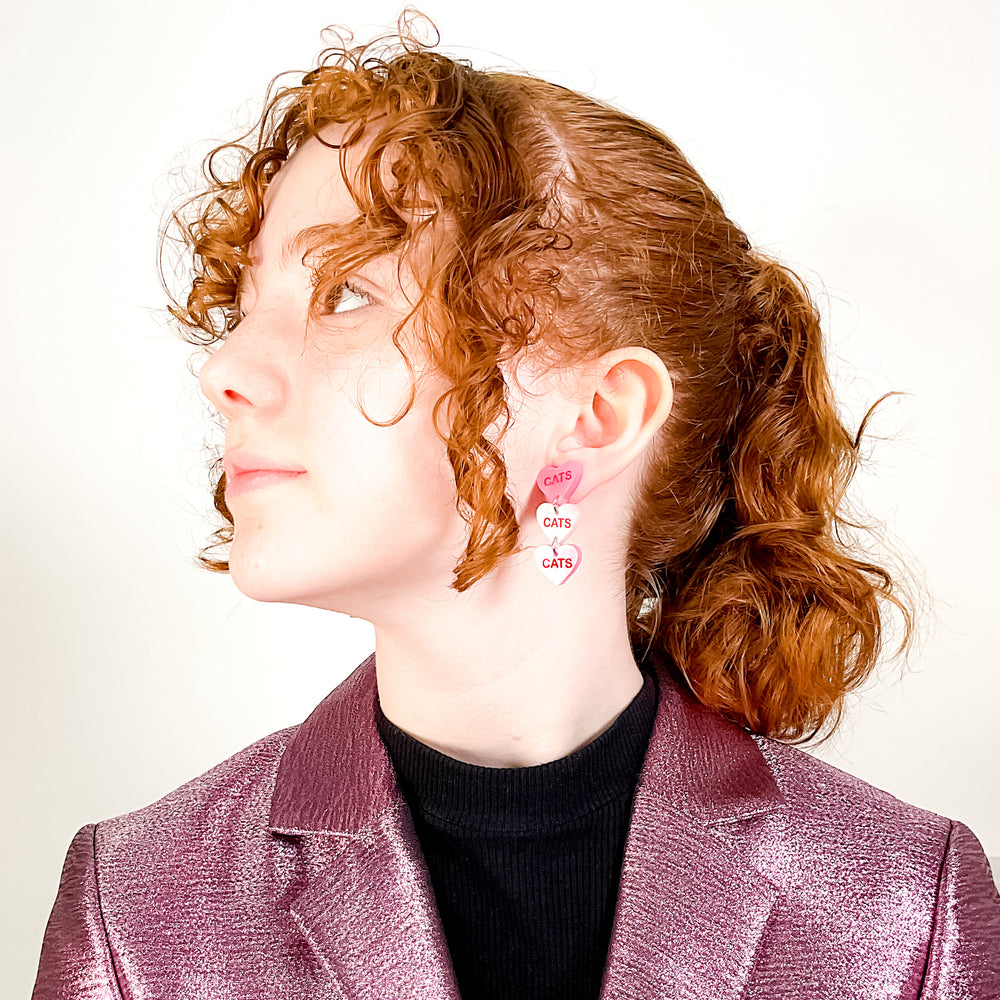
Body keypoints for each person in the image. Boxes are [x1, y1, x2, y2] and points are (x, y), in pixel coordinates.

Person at [32, 19, 1000, 1000]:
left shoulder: (905, 910)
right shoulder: (137, 912)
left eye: (344, 292)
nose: (224, 368)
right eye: (242, 308)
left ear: (593, 416)